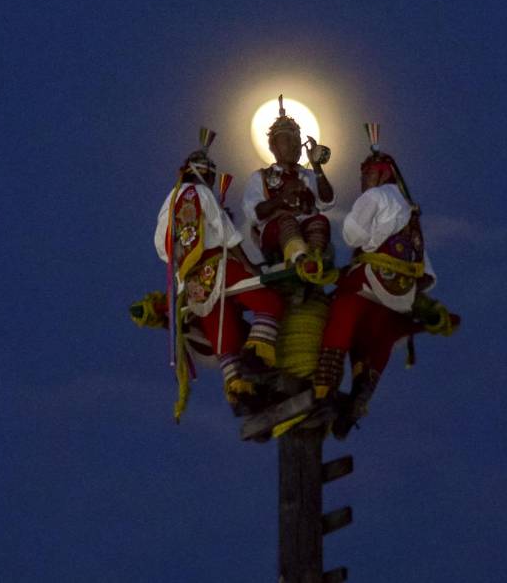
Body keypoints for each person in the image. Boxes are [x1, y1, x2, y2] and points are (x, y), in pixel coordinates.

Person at [311, 123, 457, 438]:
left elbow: (352, 234)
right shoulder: (412, 214)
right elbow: (425, 273)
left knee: (339, 313)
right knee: (376, 336)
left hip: (370, 279)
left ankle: (324, 390)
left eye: (366, 175)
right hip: (401, 293)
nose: (364, 182)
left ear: (378, 175)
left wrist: (361, 246)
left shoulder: (376, 196)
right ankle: (360, 394)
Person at [155, 128, 284, 414]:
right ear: (205, 176)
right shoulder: (202, 193)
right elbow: (227, 235)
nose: (212, 183)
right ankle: (256, 354)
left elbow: (162, 247)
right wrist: (250, 267)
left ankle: (239, 390)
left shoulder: (169, 201)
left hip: (192, 285)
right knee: (270, 302)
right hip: (219, 266)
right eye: (211, 178)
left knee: (224, 335)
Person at [241, 96, 335, 283]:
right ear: (273, 146)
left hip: (307, 232)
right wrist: (281, 198)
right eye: (288, 140)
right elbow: (254, 214)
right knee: (287, 220)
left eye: (297, 140)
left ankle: (314, 260)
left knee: (319, 220)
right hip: (276, 237)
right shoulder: (260, 177)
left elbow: (327, 201)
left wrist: (317, 167)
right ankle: (298, 261)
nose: (294, 146)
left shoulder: (307, 175)